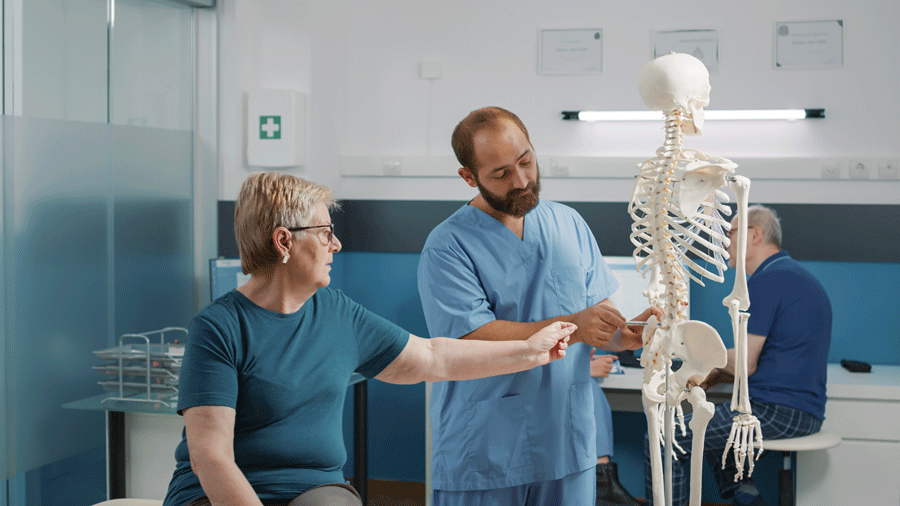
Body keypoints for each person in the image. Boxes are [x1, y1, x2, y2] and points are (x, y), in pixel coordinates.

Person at [162, 172, 577, 506]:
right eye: (325, 232)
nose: (336, 244)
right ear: (284, 240)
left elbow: (432, 356)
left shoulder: (337, 313)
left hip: (314, 490)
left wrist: (529, 351)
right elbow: (211, 457)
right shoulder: (219, 328)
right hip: (215, 494)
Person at [417, 107, 657, 506]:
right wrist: (577, 326)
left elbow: (598, 314)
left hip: (566, 439)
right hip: (488, 443)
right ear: (469, 177)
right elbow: (472, 336)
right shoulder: (448, 246)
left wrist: (624, 334)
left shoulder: (569, 224)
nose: (522, 180)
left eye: (526, 161)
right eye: (501, 174)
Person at [642, 204, 832, 506]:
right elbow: (769, 359)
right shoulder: (793, 275)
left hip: (777, 412)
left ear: (754, 235)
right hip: (803, 411)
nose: (724, 243)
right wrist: (716, 374)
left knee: (665, 437)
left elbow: (747, 363)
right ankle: (749, 500)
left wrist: (693, 356)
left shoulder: (769, 279)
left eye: (730, 233)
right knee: (711, 429)